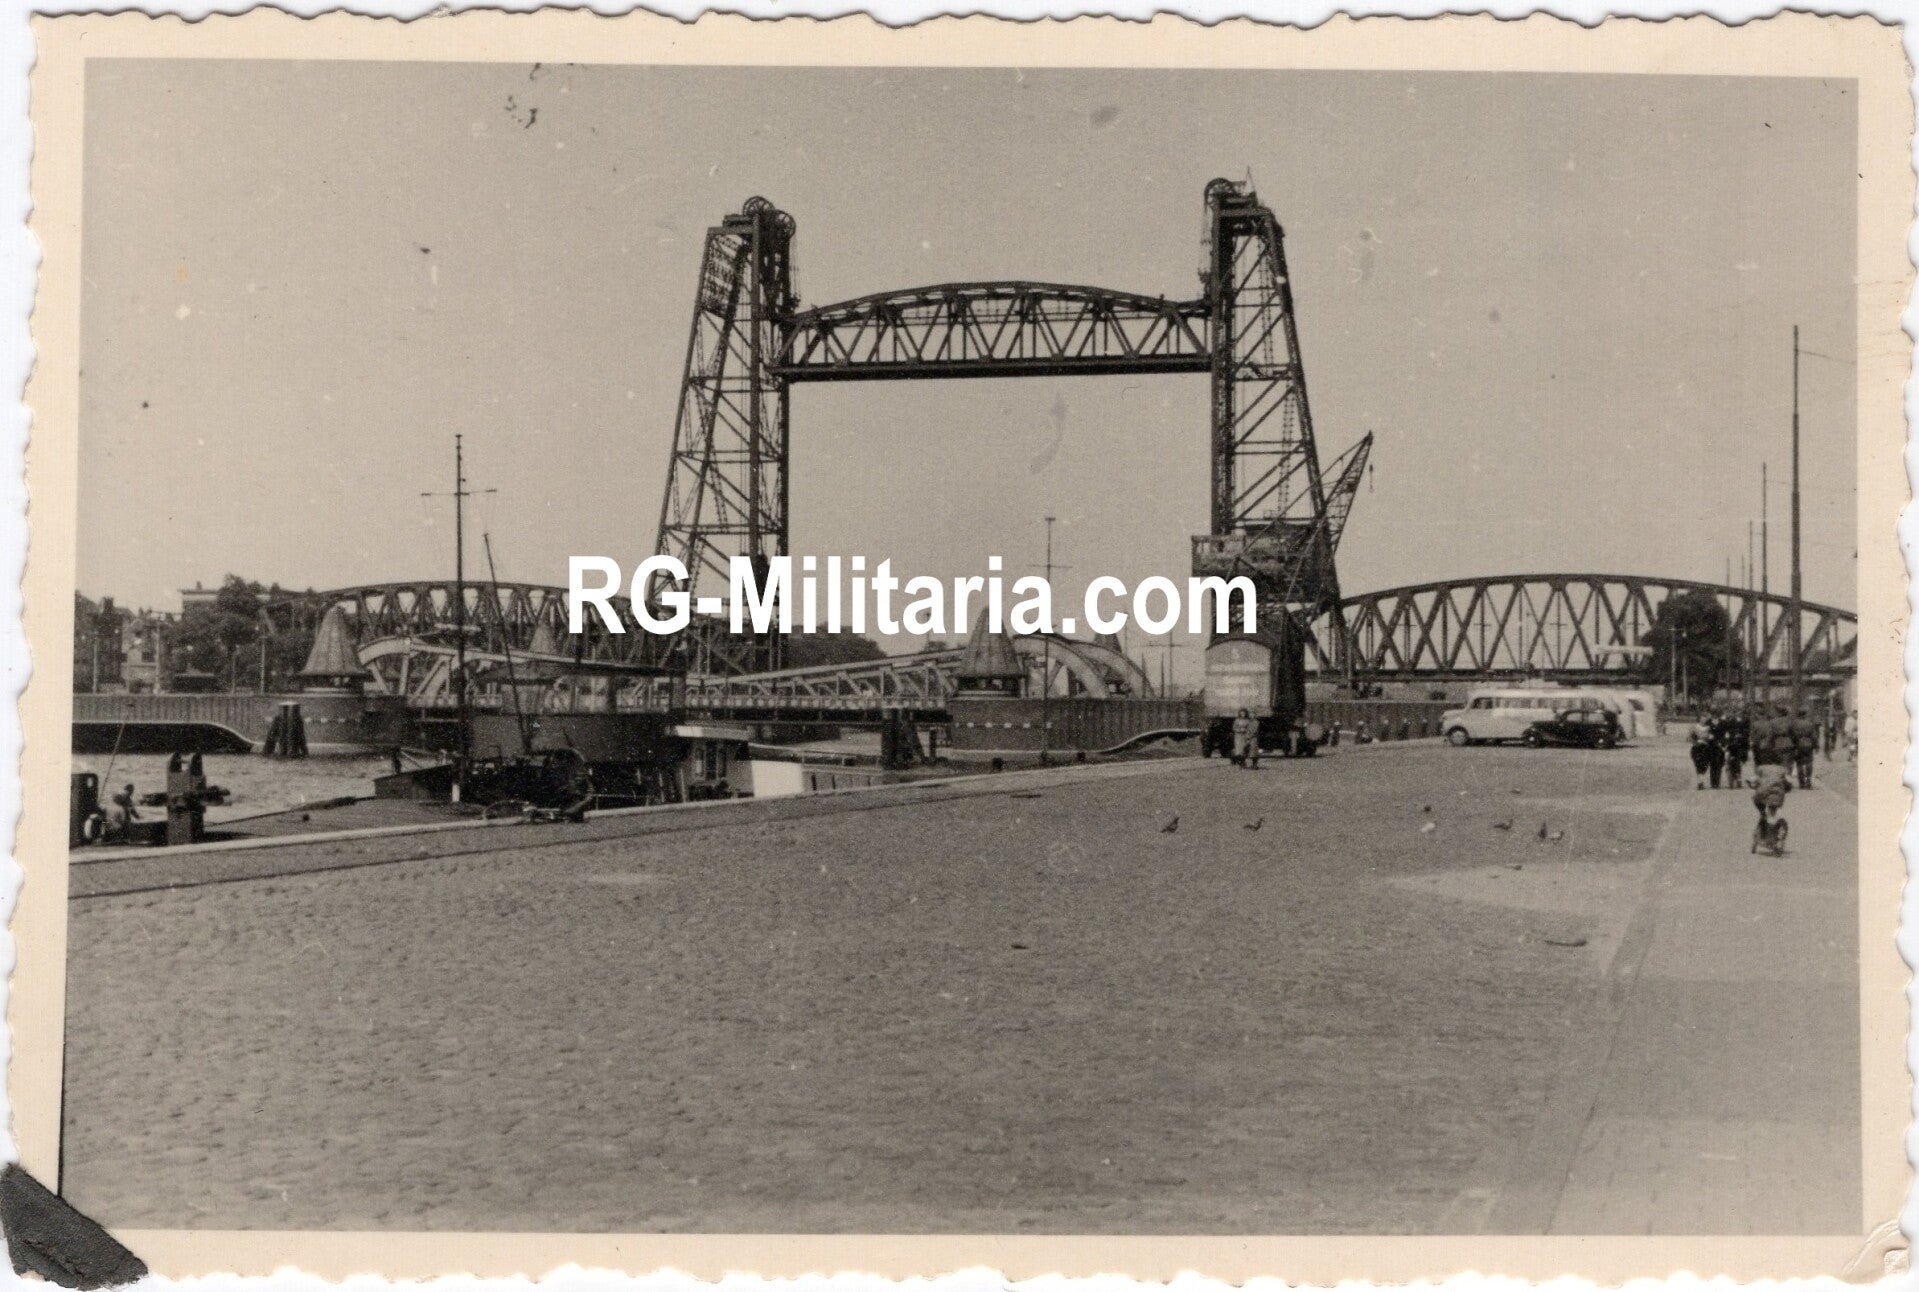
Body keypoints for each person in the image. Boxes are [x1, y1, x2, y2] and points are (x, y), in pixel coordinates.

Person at [1752, 765, 1792, 849]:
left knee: (1763, 811)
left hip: (1762, 796)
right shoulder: (1782, 770)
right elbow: (1788, 786)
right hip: (1778, 796)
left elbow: (1753, 783)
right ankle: (1776, 830)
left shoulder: (1760, 770)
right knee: (1773, 811)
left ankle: (1768, 835)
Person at [1790, 705, 1818, 790]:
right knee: (1809, 763)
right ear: (1805, 715)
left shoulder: (1794, 724)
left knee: (1799, 764)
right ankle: (1808, 781)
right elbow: (1814, 736)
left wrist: (1794, 745)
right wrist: (1816, 746)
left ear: (1798, 715)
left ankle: (1801, 783)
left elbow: (1792, 736)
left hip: (1798, 745)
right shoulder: (1810, 724)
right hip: (1808, 744)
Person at [1724, 707, 1749, 789]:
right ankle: (1733, 778)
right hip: (1731, 744)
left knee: (1738, 761)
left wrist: (1741, 735)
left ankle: (1738, 778)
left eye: (1739, 712)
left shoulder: (1743, 722)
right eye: (1736, 712)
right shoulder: (1728, 722)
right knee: (1730, 760)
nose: (1738, 713)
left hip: (1740, 744)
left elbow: (1746, 732)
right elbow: (1726, 732)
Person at [1688, 721, 1714, 790]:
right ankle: (1700, 782)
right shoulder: (1694, 728)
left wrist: (1709, 738)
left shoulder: (1709, 728)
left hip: (1705, 748)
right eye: (1702, 717)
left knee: (1704, 765)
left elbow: (1712, 737)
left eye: (1705, 717)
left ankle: (1701, 782)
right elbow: (1689, 738)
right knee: (1698, 765)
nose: (1704, 720)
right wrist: (1695, 742)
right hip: (1697, 748)